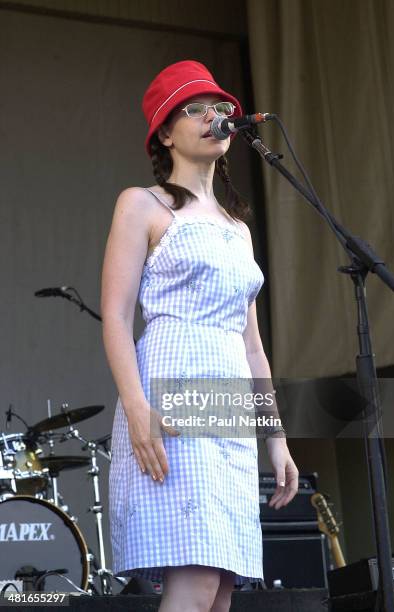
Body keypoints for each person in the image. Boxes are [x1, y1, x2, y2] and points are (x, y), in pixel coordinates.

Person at [101, 60, 299, 612]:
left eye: (221, 107)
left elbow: (253, 346)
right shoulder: (142, 204)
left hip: (228, 404)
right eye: (196, 108)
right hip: (172, 388)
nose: (215, 116)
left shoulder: (239, 228)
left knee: (221, 591)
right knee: (194, 585)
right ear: (165, 132)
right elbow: (115, 316)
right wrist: (137, 408)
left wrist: (275, 438)